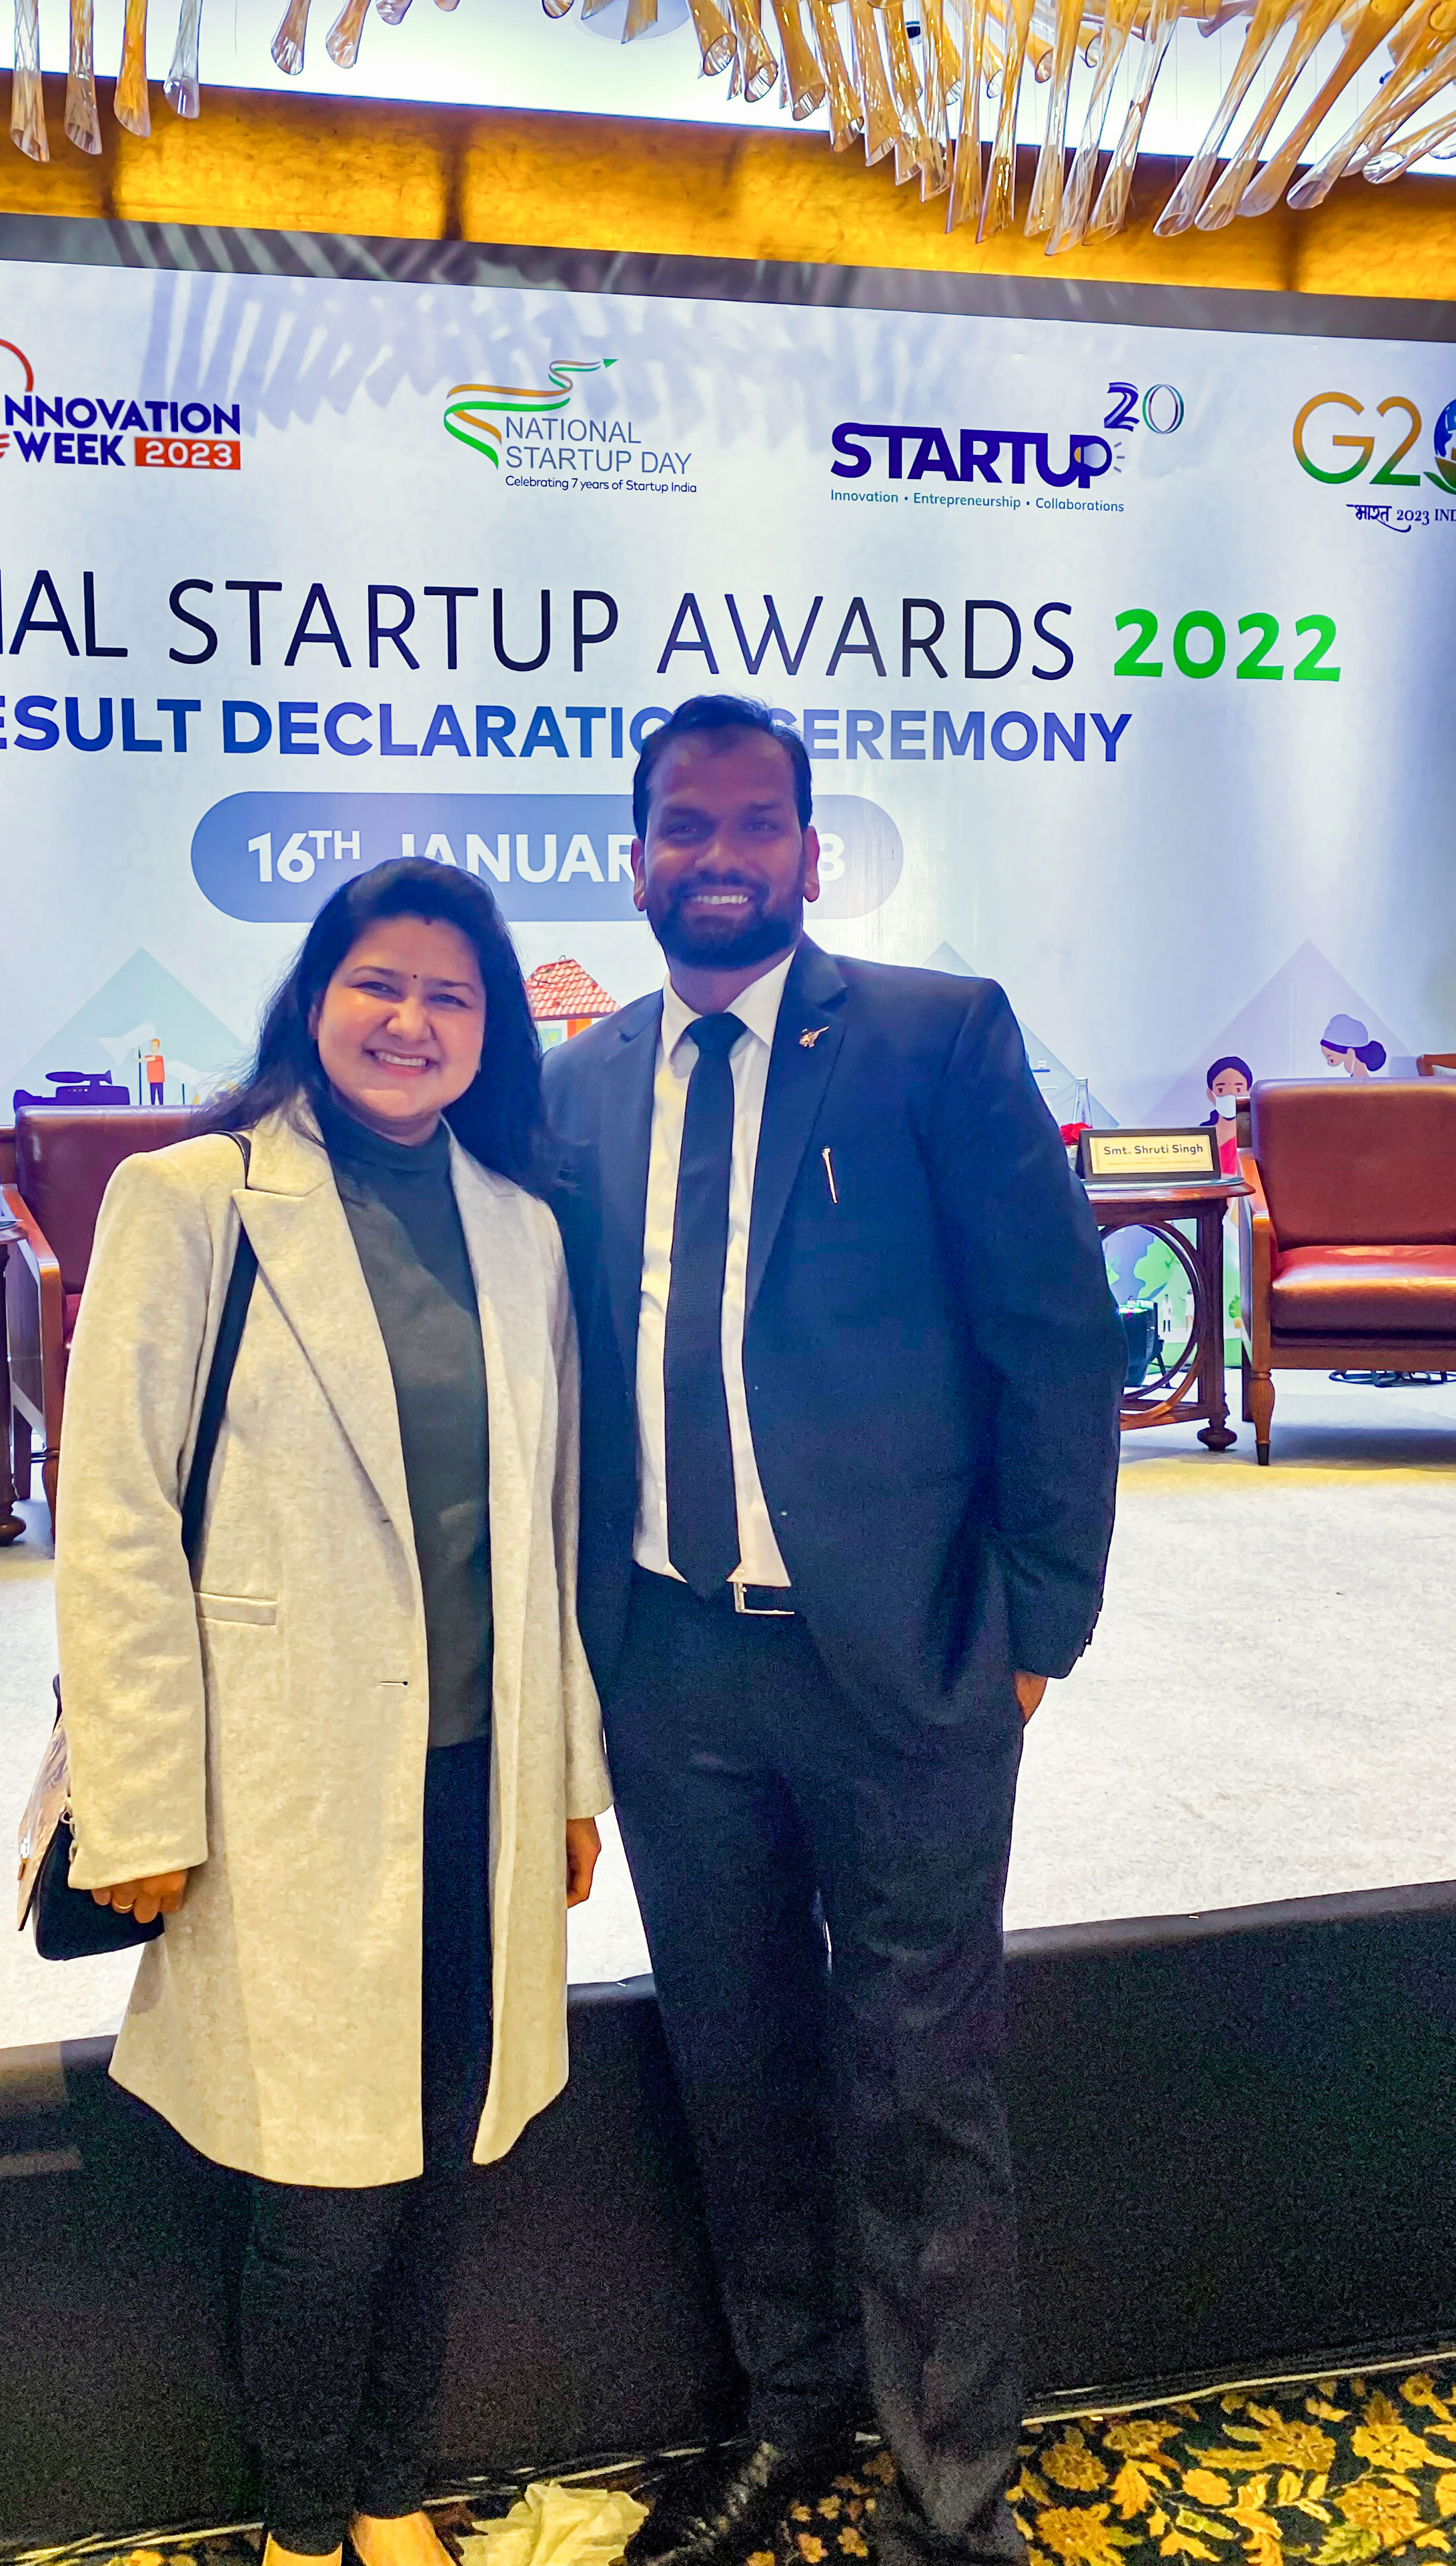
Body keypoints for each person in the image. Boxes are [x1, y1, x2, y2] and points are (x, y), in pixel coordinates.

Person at [542, 696, 1124, 2566]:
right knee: (737, 2066)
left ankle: (950, 2504)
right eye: (684, 825)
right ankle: (791, 2414)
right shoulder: (578, 1083)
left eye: (753, 824)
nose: (718, 857)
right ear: (634, 855)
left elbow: (1055, 1340)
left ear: (808, 851)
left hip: (904, 1663)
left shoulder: (935, 1038)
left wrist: (1036, 1628)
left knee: (921, 2086)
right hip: (672, 1666)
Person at [55, 859, 612, 2566]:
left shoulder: (522, 1230)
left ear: (491, 1031)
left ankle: (390, 2493)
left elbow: (549, 1530)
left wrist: (569, 1777)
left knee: (443, 2157)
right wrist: (141, 1801)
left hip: (478, 1774)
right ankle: (304, 2524)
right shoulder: (192, 1199)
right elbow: (116, 1517)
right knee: (323, 2185)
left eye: (452, 996)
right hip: (279, 1774)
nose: (411, 1022)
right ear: (314, 998)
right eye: (379, 984)